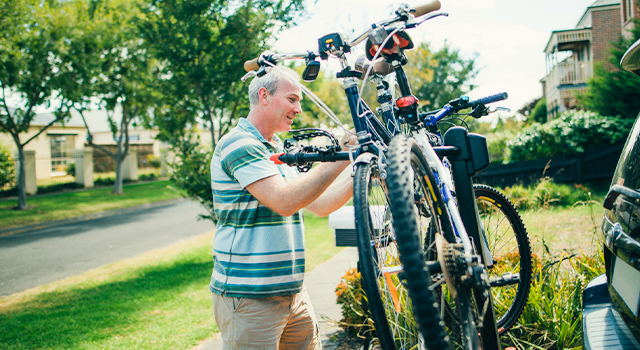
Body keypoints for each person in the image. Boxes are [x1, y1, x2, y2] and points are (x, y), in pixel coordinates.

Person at [209, 66, 354, 350]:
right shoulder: (239, 144)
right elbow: (285, 201)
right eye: (292, 99)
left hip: (293, 295)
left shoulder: (276, 149)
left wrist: (361, 167)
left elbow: (322, 204)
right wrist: (343, 152)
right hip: (250, 297)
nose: (298, 109)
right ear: (264, 95)